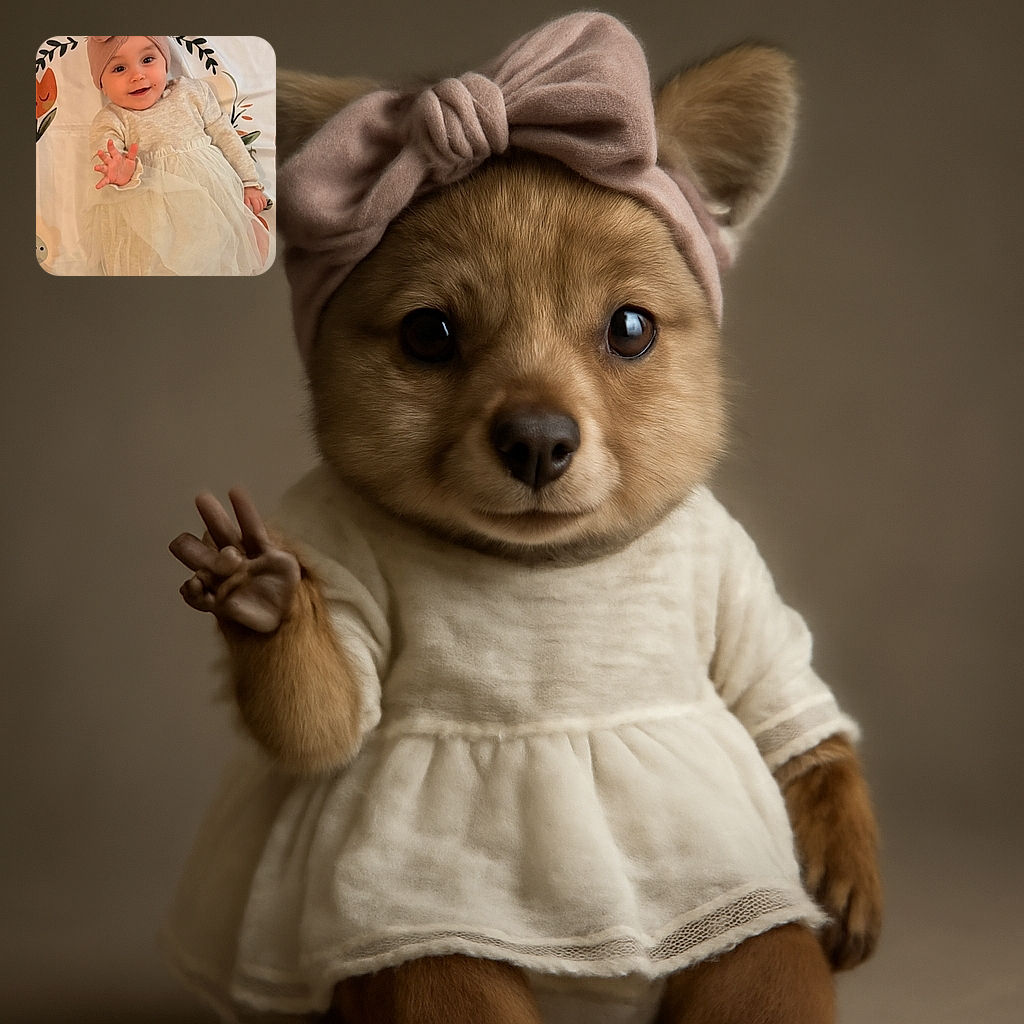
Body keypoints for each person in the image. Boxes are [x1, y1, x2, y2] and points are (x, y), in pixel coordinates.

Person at [85, 35, 270, 275]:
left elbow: (226, 136)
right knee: (158, 258)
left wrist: (249, 182)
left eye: (148, 59)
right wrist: (120, 172)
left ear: (165, 63)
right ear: (101, 84)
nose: (137, 75)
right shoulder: (111, 119)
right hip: (151, 207)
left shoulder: (191, 92)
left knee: (230, 243)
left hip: (210, 195)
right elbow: (104, 157)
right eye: (119, 68)